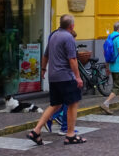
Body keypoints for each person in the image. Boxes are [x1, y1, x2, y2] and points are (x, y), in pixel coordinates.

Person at [27, 14, 86, 145]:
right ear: (72, 26)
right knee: (73, 104)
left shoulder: (54, 35)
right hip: (66, 76)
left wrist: (43, 70)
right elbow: (72, 59)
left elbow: (45, 55)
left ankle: (36, 131)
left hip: (53, 76)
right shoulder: (68, 37)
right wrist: (77, 77)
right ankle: (70, 134)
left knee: (55, 104)